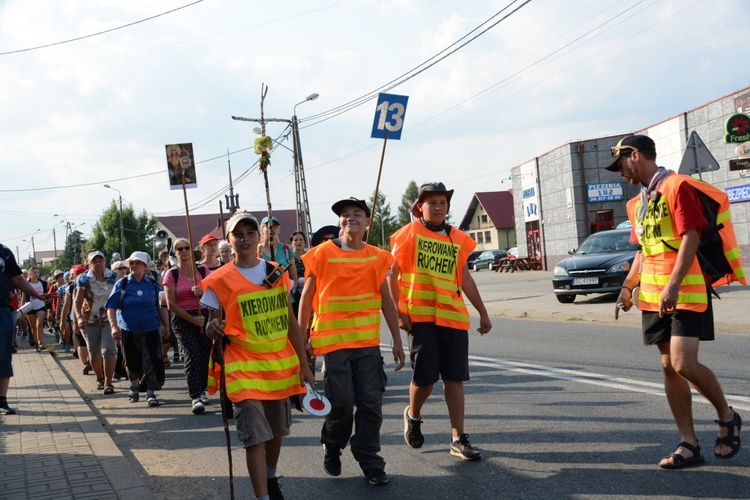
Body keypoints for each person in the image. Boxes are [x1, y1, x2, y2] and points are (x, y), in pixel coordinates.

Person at [608, 134, 743, 469]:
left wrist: (673, 284)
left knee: (683, 363)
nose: (620, 172)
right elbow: (644, 250)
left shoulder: (676, 186)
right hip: (652, 297)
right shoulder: (637, 202)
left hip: (684, 291)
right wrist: (627, 287)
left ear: (635, 156)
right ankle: (689, 444)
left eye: (621, 164)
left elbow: (691, 237)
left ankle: (727, 416)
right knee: (668, 367)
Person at [200, 211, 313, 500]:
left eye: (251, 233)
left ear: (259, 237)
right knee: (254, 437)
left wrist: (305, 365)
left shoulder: (277, 272)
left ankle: (271, 478)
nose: (245, 239)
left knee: (276, 431)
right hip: (242, 368)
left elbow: (290, 323)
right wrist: (212, 327)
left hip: (278, 366)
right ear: (229, 240)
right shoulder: (220, 279)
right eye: (238, 234)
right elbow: (213, 325)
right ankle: (262, 497)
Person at [297, 197, 405, 486]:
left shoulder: (378, 257)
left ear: (368, 222)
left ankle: (370, 460)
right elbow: (306, 298)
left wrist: (397, 339)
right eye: (345, 215)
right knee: (342, 405)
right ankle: (332, 444)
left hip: (367, 345)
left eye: (357, 214)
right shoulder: (321, 253)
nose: (350, 218)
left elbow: (386, 301)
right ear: (340, 222)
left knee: (371, 405)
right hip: (334, 346)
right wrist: (302, 340)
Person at [389, 182, 492, 461]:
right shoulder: (408, 234)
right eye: (431, 202)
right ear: (419, 207)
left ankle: (458, 438)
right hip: (420, 317)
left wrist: (482, 311)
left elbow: (465, 277)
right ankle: (413, 414)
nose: (437, 207)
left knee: (454, 378)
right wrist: (399, 312)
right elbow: (391, 275)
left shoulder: (458, 238)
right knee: (425, 379)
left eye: (442, 203)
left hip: (453, 317)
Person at [106, 252, 169, 406]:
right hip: (129, 328)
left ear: (145, 266)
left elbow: (161, 306)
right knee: (132, 360)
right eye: (131, 263)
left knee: (150, 359)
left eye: (137, 263)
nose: (133, 266)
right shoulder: (122, 284)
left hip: (151, 327)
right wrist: (114, 326)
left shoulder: (153, 284)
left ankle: (150, 392)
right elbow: (111, 307)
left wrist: (167, 325)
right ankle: (134, 385)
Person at [162, 237, 212, 414]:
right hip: (183, 318)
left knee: (206, 353)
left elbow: (215, 292)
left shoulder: (203, 270)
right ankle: (195, 395)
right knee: (192, 355)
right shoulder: (171, 274)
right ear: (175, 253)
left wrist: (203, 290)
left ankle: (203, 388)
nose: (183, 251)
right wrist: (192, 320)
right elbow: (171, 304)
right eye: (179, 249)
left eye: (186, 248)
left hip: (204, 315)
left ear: (192, 250)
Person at [1, 243, 52, 415]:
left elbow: (18, 279)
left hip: (2, 310)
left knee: (3, 356)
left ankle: (2, 401)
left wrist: (38, 295)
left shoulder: (4, 252)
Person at [74, 250, 118, 394]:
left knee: (108, 350)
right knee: (94, 354)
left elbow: (119, 297)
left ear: (104, 261)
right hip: (89, 321)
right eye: (94, 261)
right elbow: (77, 301)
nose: (98, 264)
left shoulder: (113, 276)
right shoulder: (83, 279)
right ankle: (99, 377)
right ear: (88, 263)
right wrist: (79, 318)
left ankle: (108, 382)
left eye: (100, 260)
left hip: (108, 320)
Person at [258, 216, 299, 291]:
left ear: (279, 230)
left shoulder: (286, 250)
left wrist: (291, 291)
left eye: (275, 226)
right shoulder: (257, 251)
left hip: (285, 295)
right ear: (262, 230)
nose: (272, 228)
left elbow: (294, 277)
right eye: (268, 226)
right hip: (265, 295)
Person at [22, 267, 48, 350]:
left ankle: (41, 342)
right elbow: (23, 298)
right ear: (30, 274)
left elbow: (47, 294)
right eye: (34, 273)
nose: (36, 274)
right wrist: (22, 311)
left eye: (38, 272)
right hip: (30, 307)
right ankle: (37, 344)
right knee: (33, 327)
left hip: (41, 305)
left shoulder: (43, 283)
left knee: (39, 323)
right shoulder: (26, 284)